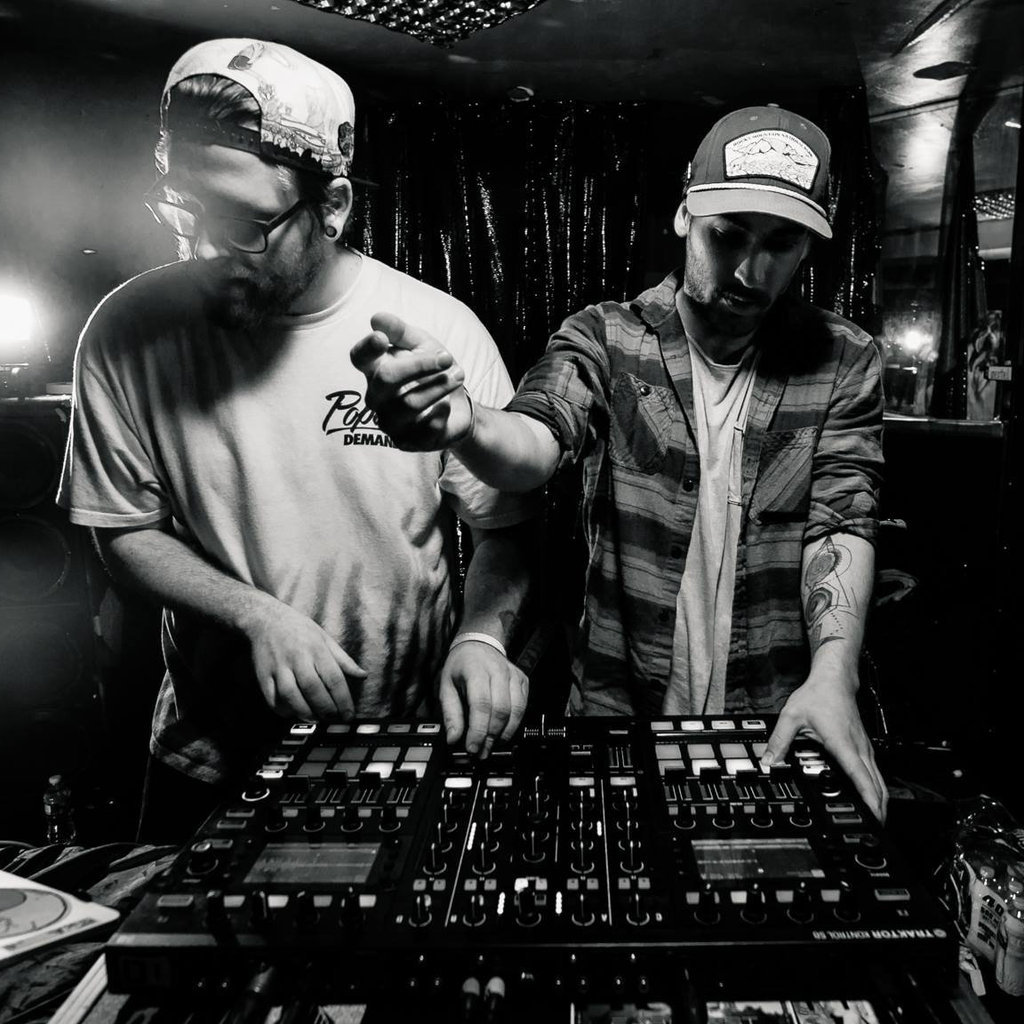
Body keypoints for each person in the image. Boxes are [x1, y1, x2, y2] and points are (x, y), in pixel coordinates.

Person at [57, 38, 536, 840]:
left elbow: (507, 528)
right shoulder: (124, 332)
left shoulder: (440, 329)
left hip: (396, 743)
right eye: (185, 208)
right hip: (208, 757)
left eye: (243, 222)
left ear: (333, 205)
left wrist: (484, 639)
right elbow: (124, 531)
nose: (204, 249)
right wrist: (256, 615)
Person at [351, 106, 888, 821]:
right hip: (617, 718)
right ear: (684, 214)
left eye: (782, 244)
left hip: (774, 723)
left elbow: (841, 521)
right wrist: (469, 424)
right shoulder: (606, 337)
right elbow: (534, 443)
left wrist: (834, 677)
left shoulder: (844, 358)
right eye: (729, 235)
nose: (751, 271)